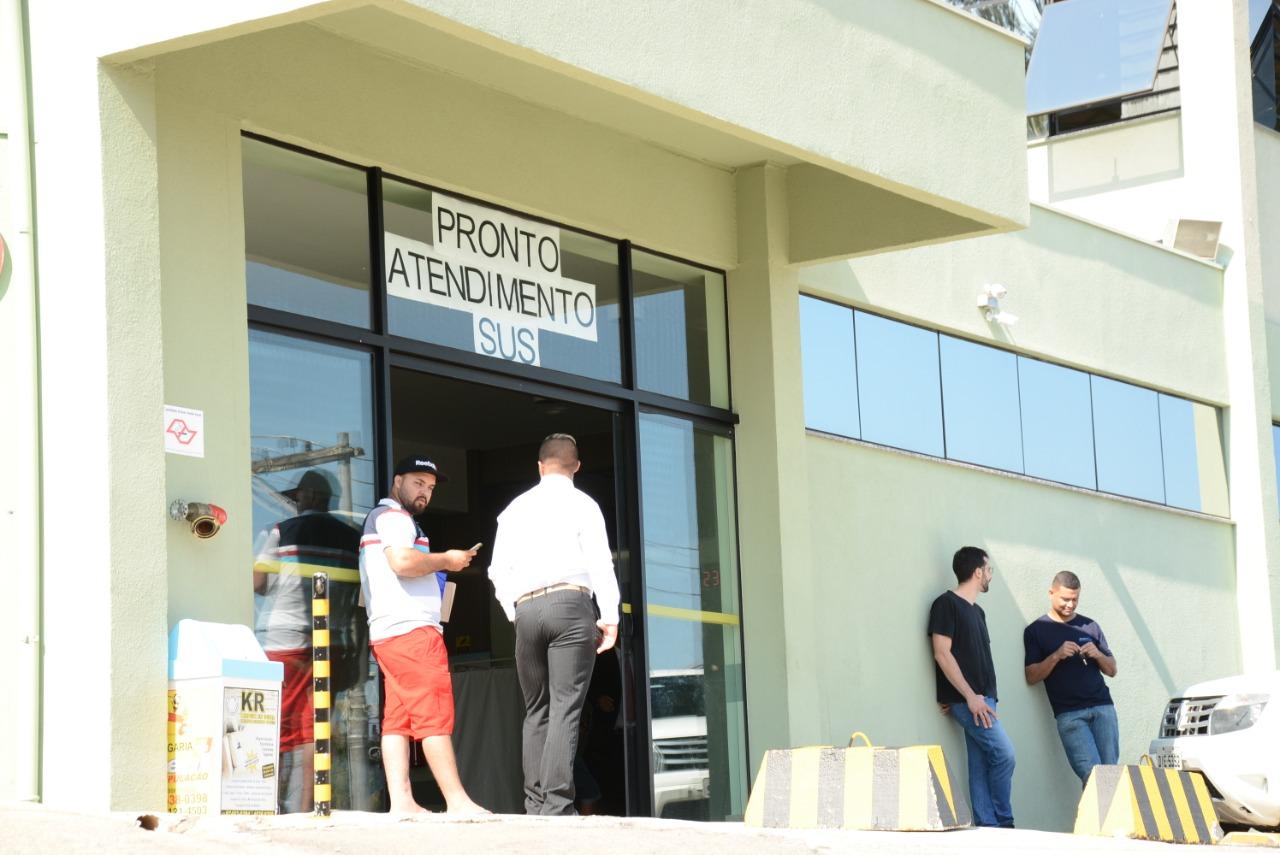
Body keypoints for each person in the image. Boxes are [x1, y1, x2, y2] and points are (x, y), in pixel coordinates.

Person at [487, 433, 621, 816]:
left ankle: (534, 804)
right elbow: (601, 563)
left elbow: (497, 571)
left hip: (526, 610)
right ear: (576, 467)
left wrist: (515, 611)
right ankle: (558, 807)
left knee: (537, 709)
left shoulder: (514, 508)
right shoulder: (584, 504)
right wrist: (609, 616)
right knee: (565, 708)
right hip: (571, 605)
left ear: (540, 466)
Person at [359, 455, 487, 814]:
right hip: (411, 630)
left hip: (389, 630)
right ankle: (458, 801)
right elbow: (402, 563)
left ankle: (402, 802)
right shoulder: (395, 518)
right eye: (418, 482)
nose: (425, 492)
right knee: (434, 714)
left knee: (398, 720)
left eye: (430, 488)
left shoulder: (382, 519)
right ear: (397, 481)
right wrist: (447, 559)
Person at [252, 468, 361, 813]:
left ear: (308, 498)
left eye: (298, 496)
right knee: (315, 725)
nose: (295, 503)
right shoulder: (351, 537)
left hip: (284, 639)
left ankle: (271, 805)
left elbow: (257, 582)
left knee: (278, 726)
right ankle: (307, 807)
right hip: (333, 641)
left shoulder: (280, 531)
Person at [928, 546, 1016, 829]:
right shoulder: (946, 604)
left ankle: (987, 828)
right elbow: (942, 653)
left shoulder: (978, 612)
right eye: (989, 570)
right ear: (978, 572)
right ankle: (1004, 822)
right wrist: (965, 697)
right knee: (1005, 755)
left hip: (985, 699)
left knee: (979, 764)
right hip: (970, 701)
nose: (991, 575)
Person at [1024, 570, 1119, 785]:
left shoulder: (1091, 626)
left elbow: (1112, 670)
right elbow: (1031, 676)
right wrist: (1057, 655)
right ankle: (1096, 819)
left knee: (1112, 775)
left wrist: (1097, 654)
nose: (1070, 605)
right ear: (1051, 593)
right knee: (1093, 777)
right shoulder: (1036, 630)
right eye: (1065, 599)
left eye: (1075, 600)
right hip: (1070, 714)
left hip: (1103, 709)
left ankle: (1109, 820)